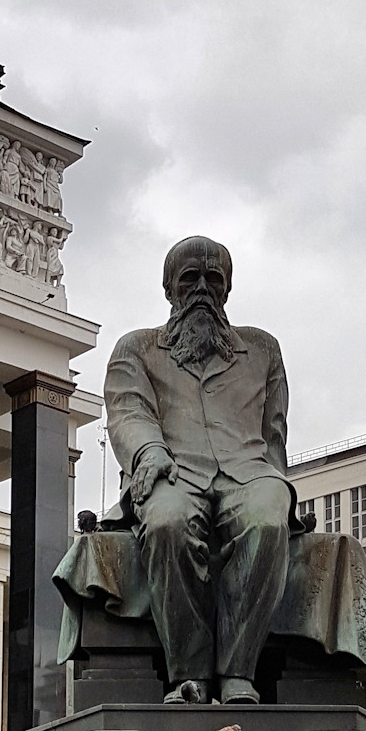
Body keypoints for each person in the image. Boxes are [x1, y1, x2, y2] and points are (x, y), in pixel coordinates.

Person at [103, 236, 298, 704]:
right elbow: (128, 413)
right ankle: (189, 676)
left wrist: (278, 486)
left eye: (214, 279)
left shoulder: (263, 350)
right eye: (190, 278)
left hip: (248, 473)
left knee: (267, 519)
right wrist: (149, 454)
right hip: (172, 470)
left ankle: (238, 675)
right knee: (167, 522)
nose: (203, 290)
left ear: (228, 289)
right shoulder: (137, 349)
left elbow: (274, 431)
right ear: (169, 288)